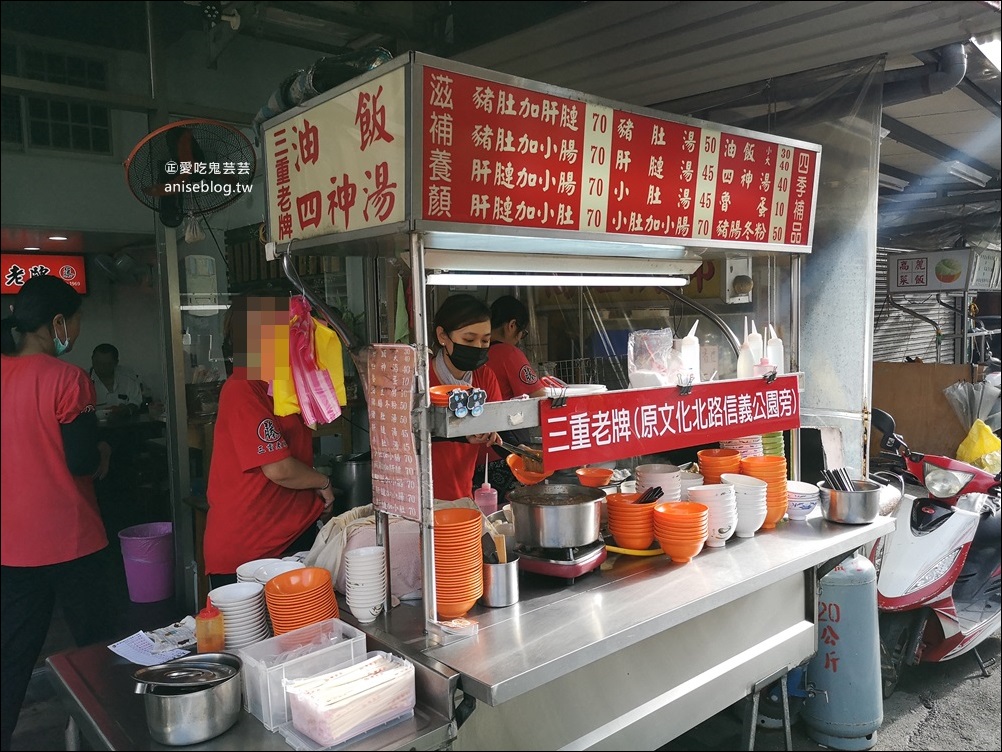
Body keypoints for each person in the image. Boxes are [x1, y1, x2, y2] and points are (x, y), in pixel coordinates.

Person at [1, 275, 112, 752]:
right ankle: (106, 734)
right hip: (73, 541)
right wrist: (104, 449)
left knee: (13, 657)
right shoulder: (69, 379)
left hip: (12, 545)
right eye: (77, 320)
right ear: (57, 323)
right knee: (97, 649)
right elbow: (82, 460)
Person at [203, 293, 335, 590]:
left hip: (291, 534)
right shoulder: (242, 388)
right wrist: (322, 482)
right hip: (251, 548)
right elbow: (279, 469)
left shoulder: (283, 383)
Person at [428, 294, 502, 501]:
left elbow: (494, 426)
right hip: (419, 499)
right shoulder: (421, 380)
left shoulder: (485, 377)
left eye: (485, 340)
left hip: (462, 494)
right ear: (443, 336)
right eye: (469, 339)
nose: (478, 346)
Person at [483, 295, 547, 499]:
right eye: (522, 332)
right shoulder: (509, 353)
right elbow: (540, 395)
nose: (520, 338)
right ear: (512, 325)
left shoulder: (478, 354)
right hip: (504, 455)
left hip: (476, 455)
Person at [89, 343, 143, 419]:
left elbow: (136, 402)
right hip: (93, 426)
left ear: (116, 363)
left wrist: (126, 409)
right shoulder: (82, 380)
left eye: (106, 364)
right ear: (92, 359)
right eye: (97, 363)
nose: (101, 367)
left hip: (125, 425)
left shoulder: (128, 377)